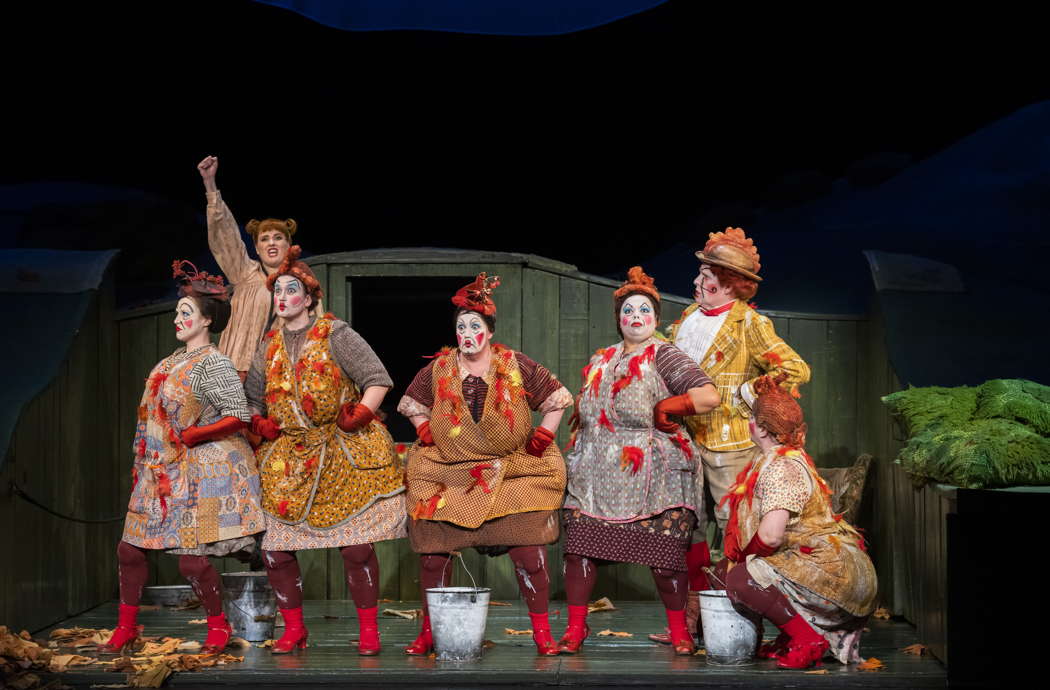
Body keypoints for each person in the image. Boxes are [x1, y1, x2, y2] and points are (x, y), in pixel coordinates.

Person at [397, 273, 573, 656]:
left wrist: (544, 433)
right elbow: (411, 403)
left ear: (490, 331)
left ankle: (543, 634)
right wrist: (424, 427)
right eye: (461, 326)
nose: (467, 332)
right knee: (431, 555)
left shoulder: (515, 364)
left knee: (530, 553)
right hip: (452, 469)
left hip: (511, 470)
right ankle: (429, 631)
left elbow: (557, 398)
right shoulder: (440, 368)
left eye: (475, 325)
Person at [653, 227, 811, 643]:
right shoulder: (688, 318)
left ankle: (737, 625)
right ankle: (690, 625)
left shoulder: (750, 323)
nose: (697, 283)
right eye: (700, 274)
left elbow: (795, 369)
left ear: (729, 285)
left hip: (729, 443)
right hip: (684, 440)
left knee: (733, 532)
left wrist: (746, 393)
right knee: (686, 529)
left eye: (707, 277)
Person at [245, 247, 404, 655]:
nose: (282, 297)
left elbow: (377, 378)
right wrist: (258, 421)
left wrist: (362, 414)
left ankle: (369, 631)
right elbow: (253, 399)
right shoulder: (268, 345)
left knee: (355, 547)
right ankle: (294, 628)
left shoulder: (336, 334)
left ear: (310, 298)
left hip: (340, 448)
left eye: (290, 289)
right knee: (276, 549)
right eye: (277, 290)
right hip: (289, 455)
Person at [101, 261, 264, 655]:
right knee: (129, 549)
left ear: (207, 320)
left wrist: (196, 434)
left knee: (192, 561)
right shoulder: (169, 361)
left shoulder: (214, 362)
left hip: (199, 471)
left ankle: (218, 627)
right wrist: (140, 463)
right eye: (177, 313)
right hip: (159, 472)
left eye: (186, 313)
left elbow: (238, 415)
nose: (178, 319)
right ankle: (127, 627)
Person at [557, 267, 720, 656]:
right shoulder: (602, 359)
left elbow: (708, 396)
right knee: (579, 549)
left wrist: (669, 404)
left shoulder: (665, 354)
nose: (635, 317)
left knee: (666, 560)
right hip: (596, 475)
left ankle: (680, 632)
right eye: (628, 311)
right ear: (618, 319)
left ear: (656, 319)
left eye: (644, 311)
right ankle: (576, 629)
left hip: (655, 474)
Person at [705, 373, 877, 669]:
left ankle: (807, 639)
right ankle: (789, 636)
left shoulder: (781, 468)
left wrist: (742, 562)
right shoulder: (779, 457)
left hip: (834, 575)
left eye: (752, 418)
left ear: (759, 428)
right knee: (727, 571)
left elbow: (771, 536)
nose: (746, 422)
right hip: (824, 565)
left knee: (740, 577)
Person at [197, 155, 321, 378]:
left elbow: (317, 326)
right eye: (264, 239)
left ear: (288, 244)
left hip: (279, 374)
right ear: (255, 247)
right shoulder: (245, 272)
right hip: (235, 369)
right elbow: (225, 236)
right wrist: (210, 184)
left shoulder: (302, 280)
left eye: (278, 237)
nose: (271, 243)